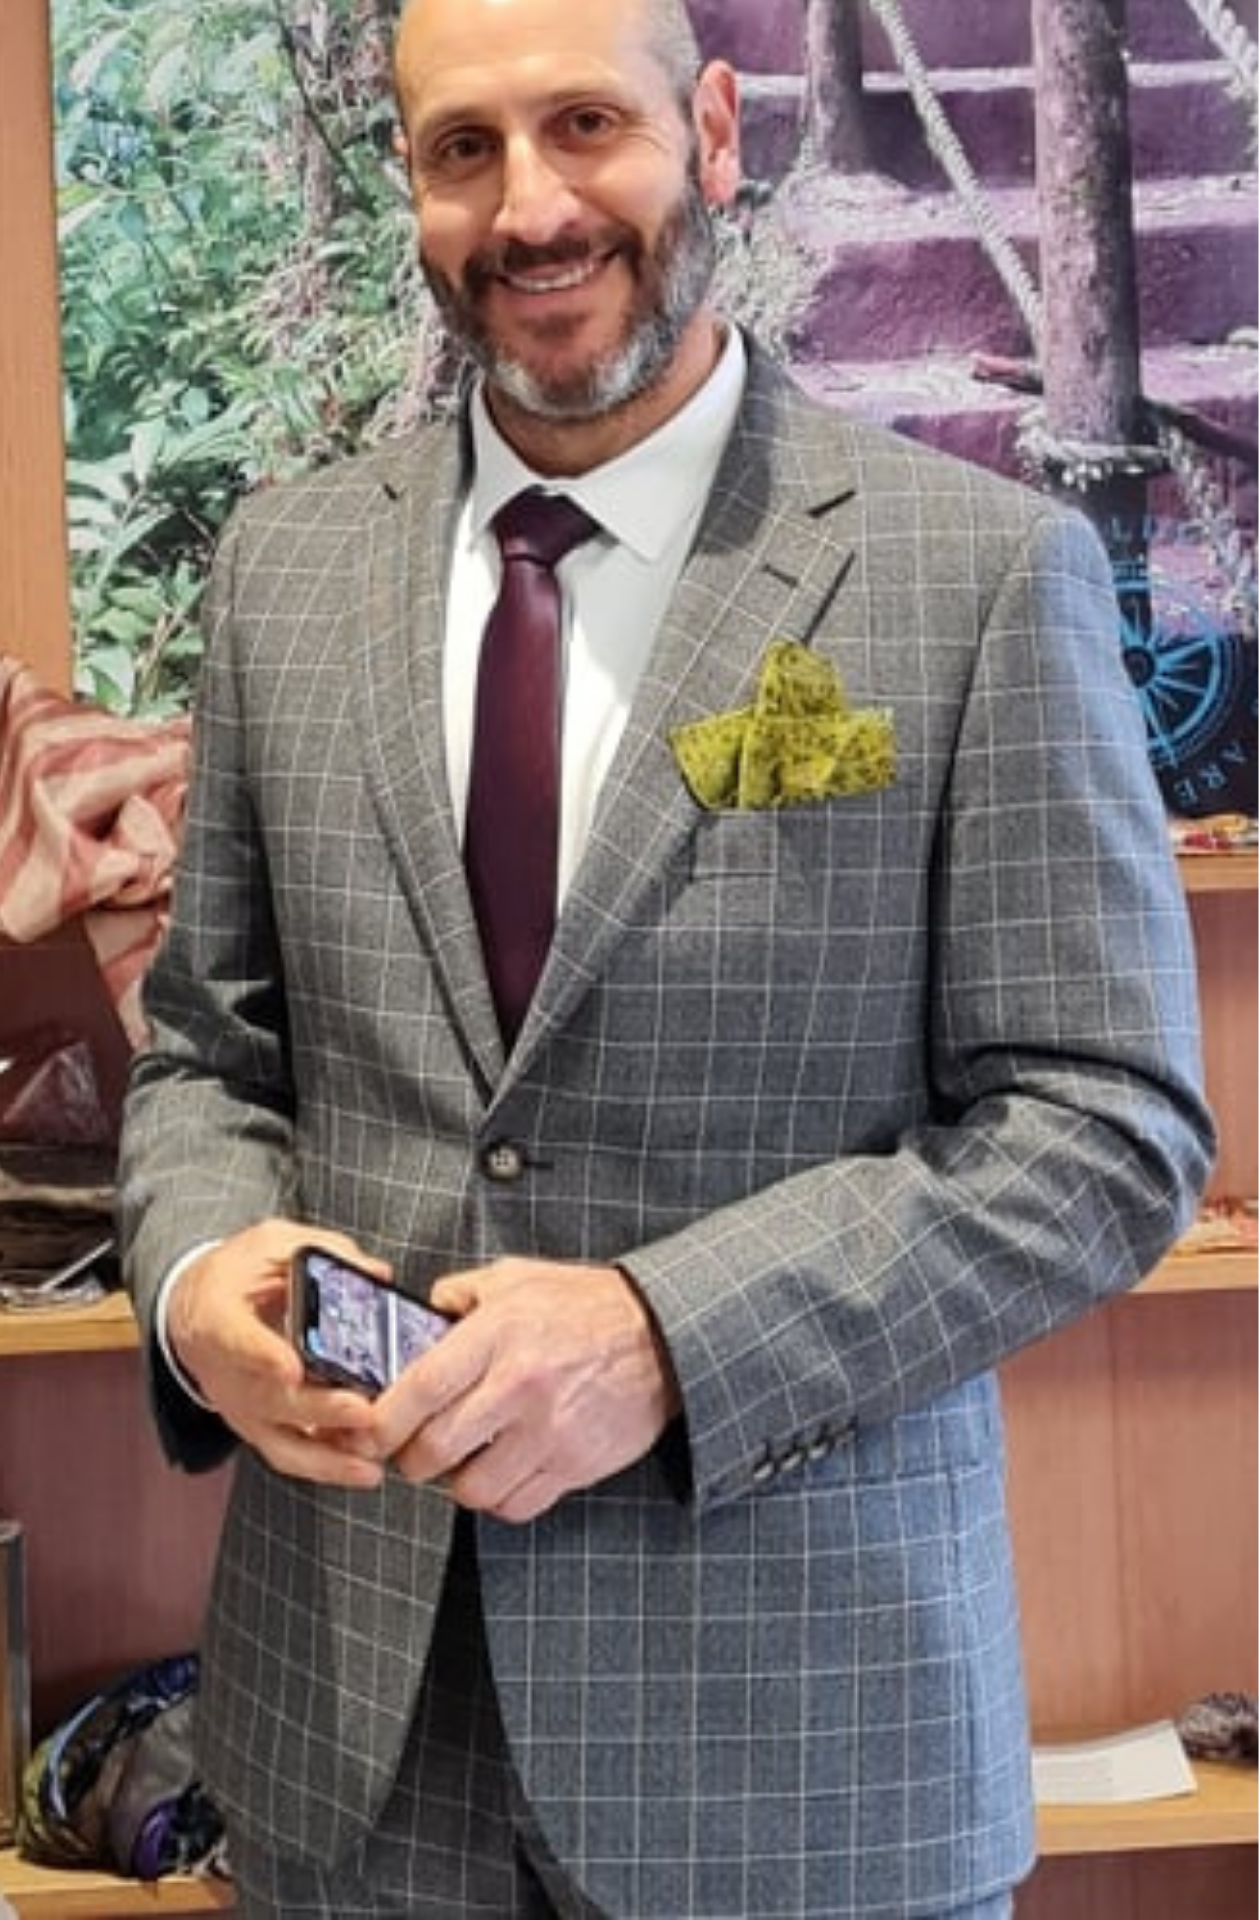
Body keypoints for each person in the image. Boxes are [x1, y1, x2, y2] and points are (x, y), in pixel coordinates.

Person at [117, 0, 1215, 1914]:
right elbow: (212, 1058)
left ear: (708, 132)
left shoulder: (979, 574)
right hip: (348, 1754)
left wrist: (663, 1339)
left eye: (583, 128)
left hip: (802, 1755)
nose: (530, 205)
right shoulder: (280, 570)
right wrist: (204, 1272)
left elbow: (1108, 1132)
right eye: (464, 147)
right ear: (413, 183)